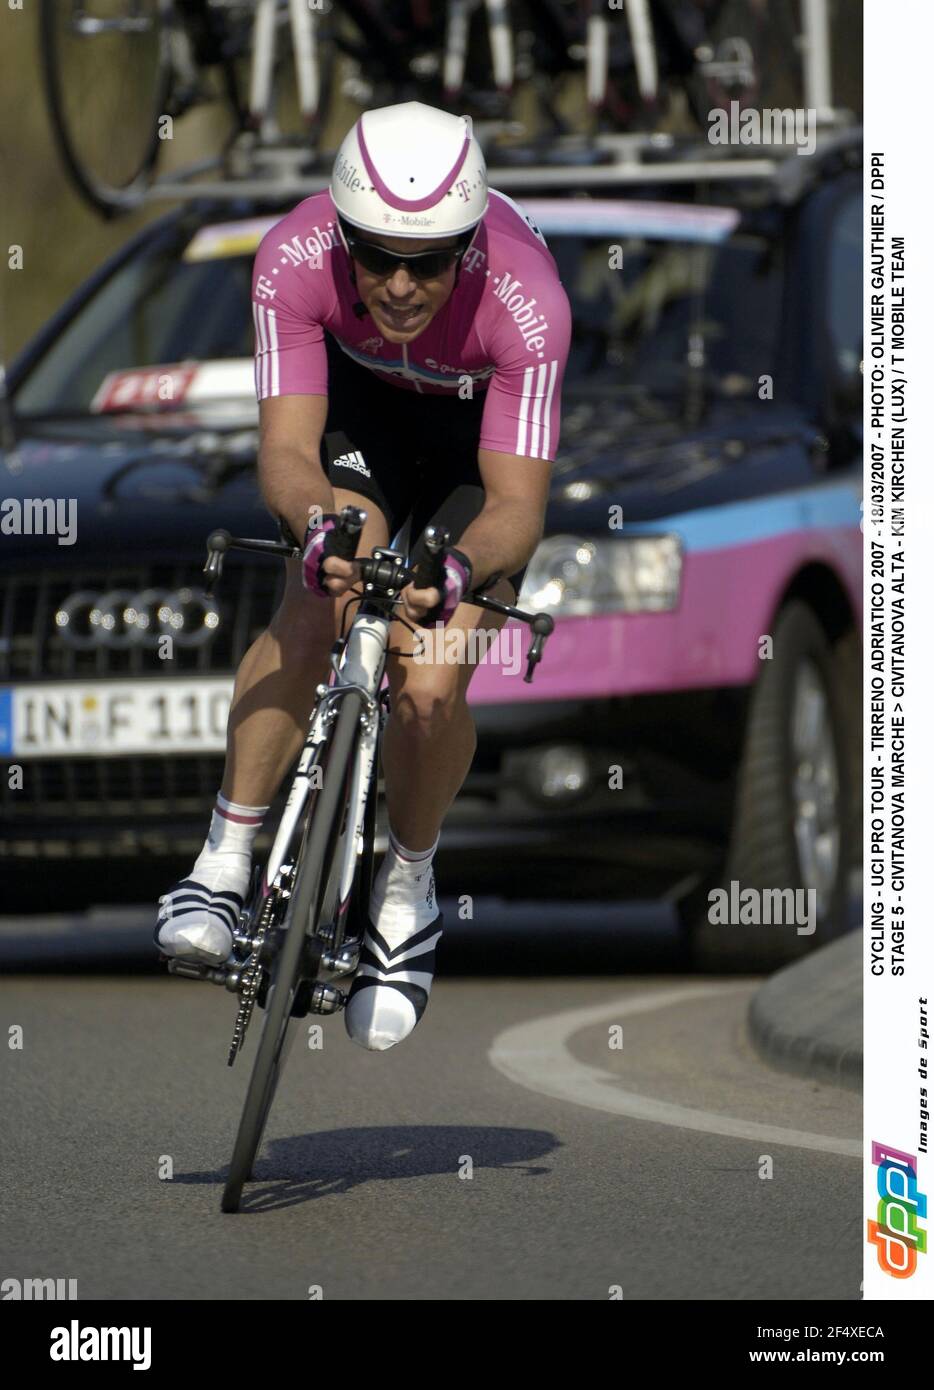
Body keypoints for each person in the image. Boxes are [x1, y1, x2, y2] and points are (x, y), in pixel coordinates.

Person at [156, 101, 571, 1051]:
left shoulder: (528, 299)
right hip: (363, 431)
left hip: (476, 457)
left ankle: (406, 887)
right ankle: (223, 862)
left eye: (426, 262)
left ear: (466, 249)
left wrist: (460, 570)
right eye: (374, 254)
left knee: (428, 687)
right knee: (319, 597)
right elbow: (287, 453)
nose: (396, 284)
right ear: (340, 233)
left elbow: (517, 506)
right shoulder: (293, 257)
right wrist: (316, 532)